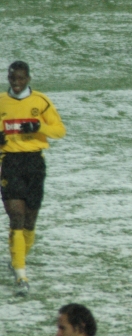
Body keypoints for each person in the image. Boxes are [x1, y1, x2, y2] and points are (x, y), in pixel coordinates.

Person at [1, 61, 66, 296]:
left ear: (28, 79)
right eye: (12, 79)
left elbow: (59, 130)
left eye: (20, 79)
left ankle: (19, 258)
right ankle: (21, 274)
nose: (16, 83)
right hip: (10, 164)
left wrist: (38, 126)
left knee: (30, 220)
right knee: (16, 216)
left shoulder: (41, 101)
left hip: (34, 164)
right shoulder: (1, 102)